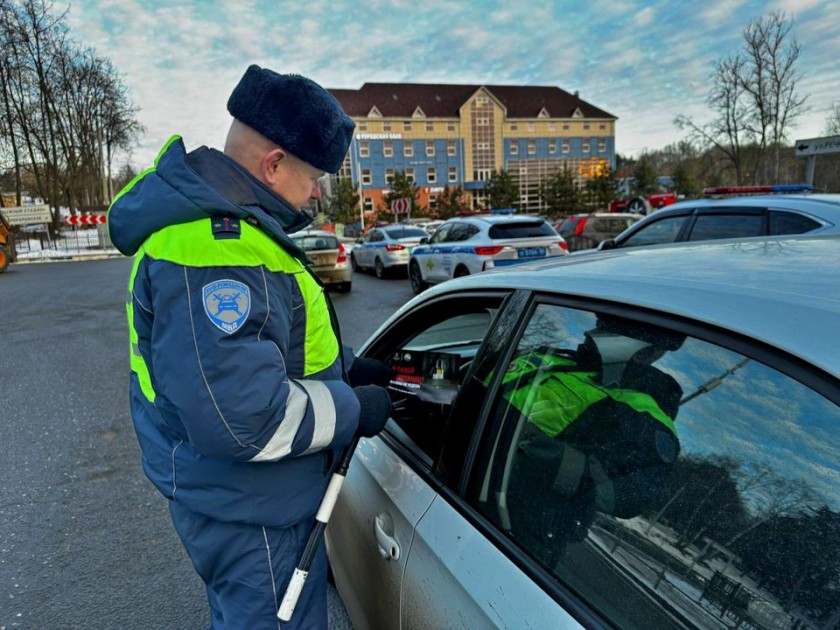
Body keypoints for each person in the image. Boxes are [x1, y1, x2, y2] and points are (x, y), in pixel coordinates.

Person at [108, 65, 392, 629]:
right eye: (313, 177)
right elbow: (245, 420)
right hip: (253, 513)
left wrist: (347, 371)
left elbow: (271, 346)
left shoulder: (230, 230)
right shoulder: (218, 249)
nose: (315, 192)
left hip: (239, 501)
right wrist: (353, 407)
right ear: (274, 163)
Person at [500, 317, 684, 561]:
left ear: (644, 353)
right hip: (450, 475)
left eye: (605, 332)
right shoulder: (554, 358)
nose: (588, 332)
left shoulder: (641, 416)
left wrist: (549, 459)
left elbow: (633, 492)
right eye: (598, 325)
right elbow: (462, 381)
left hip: (508, 537)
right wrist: (434, 379)